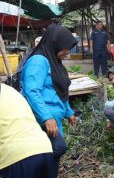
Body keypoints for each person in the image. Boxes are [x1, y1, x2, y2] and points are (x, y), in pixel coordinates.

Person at [21, 23, 79, 165]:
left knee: (54, 155)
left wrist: (68, 112)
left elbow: (60, 90)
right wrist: (46, 117)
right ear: (55, 43)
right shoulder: (38, 61)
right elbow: (32, 91)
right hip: (42, 120)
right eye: (65, 47)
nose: (67, 52)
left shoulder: (54, 61)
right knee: (57, 148)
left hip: (54, 119)